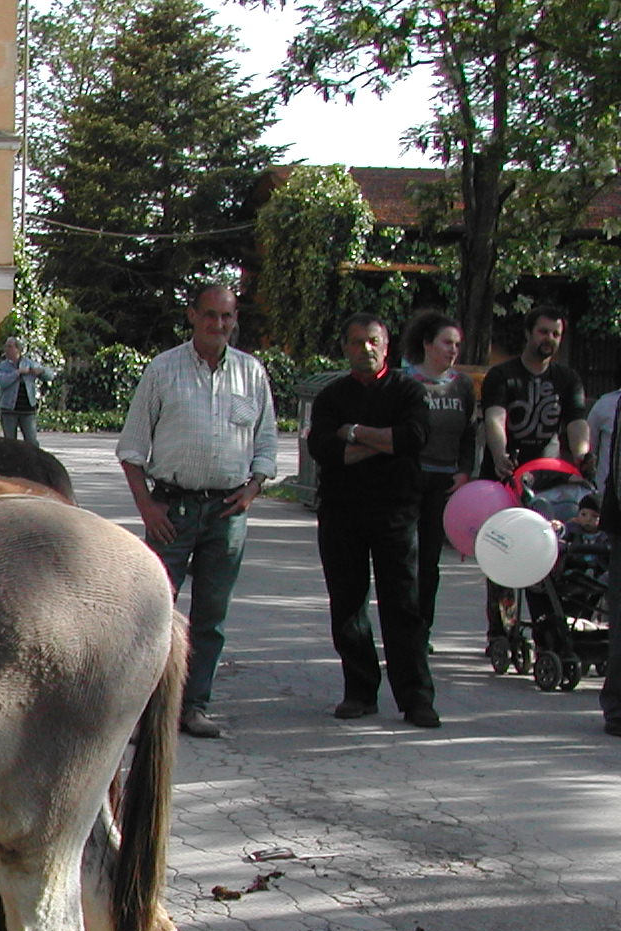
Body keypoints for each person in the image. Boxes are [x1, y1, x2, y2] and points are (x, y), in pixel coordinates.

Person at [117, 283, 279, 739]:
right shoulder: (163, 371)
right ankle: (144, 713)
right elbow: (131, 448)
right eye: (210, 315)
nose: (219, 325)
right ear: (192, 316)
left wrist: (252, 489)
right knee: (154, 614)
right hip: (172, 510)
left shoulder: (251, 374)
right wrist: (146, 506)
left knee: (211, 618)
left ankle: (194, 706)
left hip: (227, 513)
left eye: (227, 317)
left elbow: (266, 442)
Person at [305, 314, 437, 728]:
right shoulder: (331, 398)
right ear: (344, 347)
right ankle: (359, 691)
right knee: (347, 606)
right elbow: (327, 452)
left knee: (403, 607)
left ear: (387, 345)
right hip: (342, 513)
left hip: (396, 512)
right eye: (357, 341)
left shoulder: (407, 391)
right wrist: (383, 442)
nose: (366, 349)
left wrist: (355, 432)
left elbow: (413, 438)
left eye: (373, 341)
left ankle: (416, 698)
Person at [479, 305, 590, 645]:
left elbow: (575, 423)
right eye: (543, 332)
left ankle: (547, 629)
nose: (549, 340)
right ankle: (502, 631)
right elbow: (495, 419)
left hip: (548, 481)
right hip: (505, 479)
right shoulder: (502, 376)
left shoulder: (567, 378)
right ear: (528, 334)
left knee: (547, 555)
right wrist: (500, 456)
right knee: (502, 558)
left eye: (556, 334)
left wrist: (583, 456)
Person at [399, 310, 476, 639]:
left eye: (457, 344)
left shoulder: (462, 386)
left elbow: (469, 433)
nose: (453, 350)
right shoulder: (405, 383)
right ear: (428, 344)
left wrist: (464, 471)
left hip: (445, 483)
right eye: (447, 343)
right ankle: (399, 628)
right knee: (404, 558)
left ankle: (421, 631)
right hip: (410, 479)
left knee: (430, 561)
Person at [0, 337, 48, 447]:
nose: (6, 349)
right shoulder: (2, 367)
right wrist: (17, 372)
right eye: (6, 346)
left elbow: (50, 375)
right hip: (9, 410)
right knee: (10, 443)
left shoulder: (29, 363)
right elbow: (2, 382)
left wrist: (41, 371)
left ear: (18, 349)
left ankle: (33, 463)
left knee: (31, 442)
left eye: (10, 346)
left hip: (27, 410)